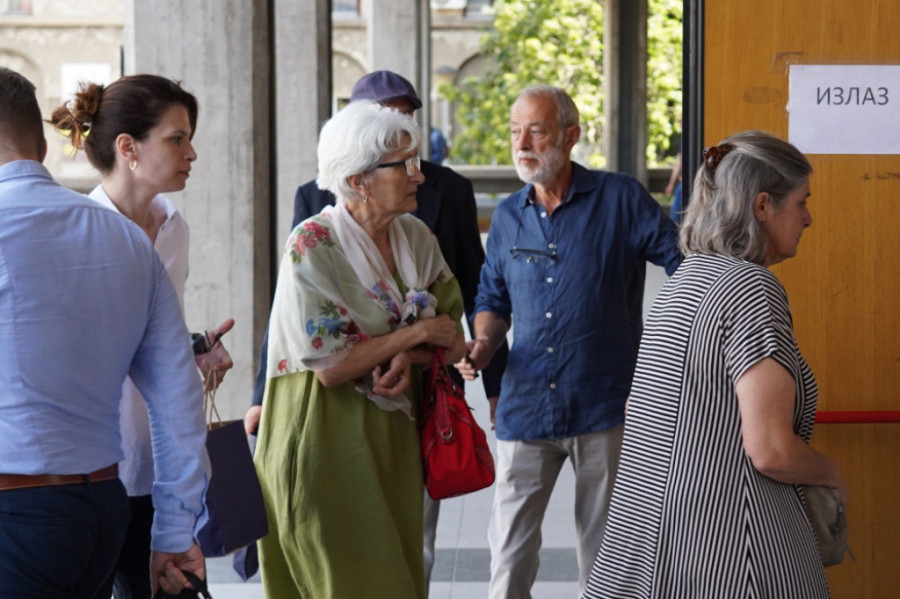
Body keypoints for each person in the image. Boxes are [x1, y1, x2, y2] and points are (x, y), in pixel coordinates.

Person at [243, 69, 509, 587]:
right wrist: (413, 336)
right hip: (322, 442)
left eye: (415, 162)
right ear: (359, 180)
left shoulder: (416, 237)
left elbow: (454, 340)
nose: (419, 176)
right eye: (403, 165)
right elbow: (331, 366)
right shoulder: (312, 245)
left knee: (401, 578)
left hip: (395, 442)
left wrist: (407, 355)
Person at [583, 131, 846, 598]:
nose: (809, 218)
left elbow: (640, 408)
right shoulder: (750, 288)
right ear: (762, 206)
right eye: (801, 202)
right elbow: (770, 449)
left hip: (650, 545)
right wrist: (831, 473)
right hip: (728, 552)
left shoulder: (687, 279)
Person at [455, 85, 681, 599]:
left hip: (606, 405)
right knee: (508, 558)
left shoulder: (621, 199)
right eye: (515, 131)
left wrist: (669, 351)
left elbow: (683, 265)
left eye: (536, 131)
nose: (522, 143)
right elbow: (492, 299)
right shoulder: (509, 215)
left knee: (605, 561)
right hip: (527, 406)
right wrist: (483, 344)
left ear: (570, 135)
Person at [0, 67, 208, 598]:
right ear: (41, 147)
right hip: (102, 505)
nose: (190, 152)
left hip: (16, 510)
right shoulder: (129, 240)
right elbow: (178, 397)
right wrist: (175, 529)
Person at [49, 74, 235, 599]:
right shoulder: (78, 234)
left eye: (189, 138)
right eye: (177, 139)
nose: (192, 153)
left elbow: (151, 333)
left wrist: (194, 350)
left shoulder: (174, 227)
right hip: (96, 471)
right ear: (128, 148)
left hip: (164, 470)